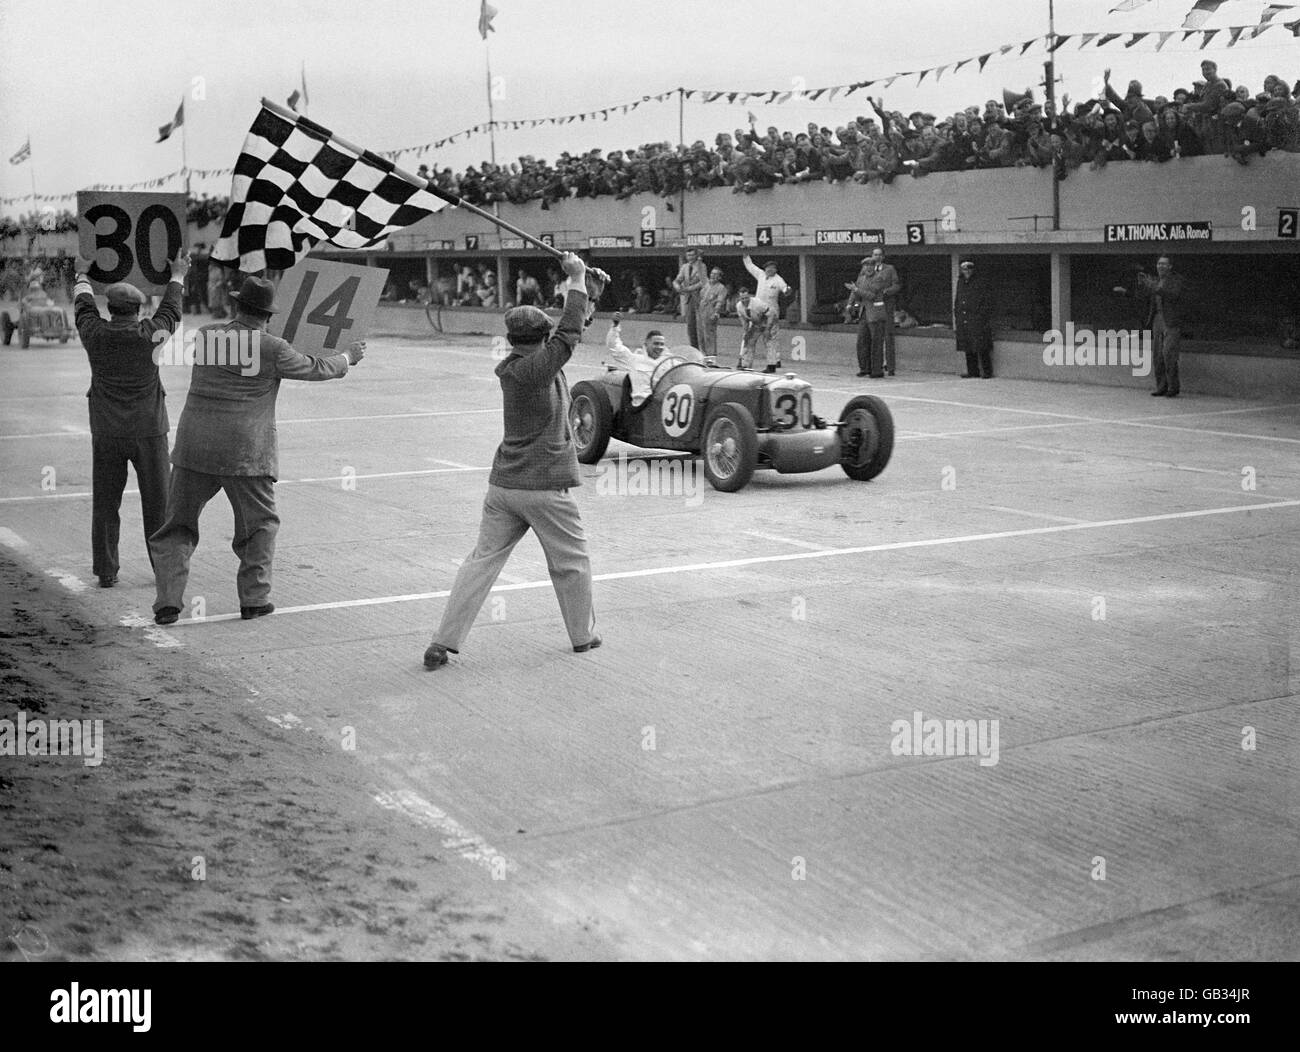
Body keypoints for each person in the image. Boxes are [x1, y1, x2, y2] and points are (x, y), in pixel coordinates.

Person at [148, 276, 366, 625]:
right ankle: (253, 599)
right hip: (245, 452)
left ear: (237, 305)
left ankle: (168, 602)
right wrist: (347, 357)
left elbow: (240, 343)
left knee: (178, 527)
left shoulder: (207, 336)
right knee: (259, 526)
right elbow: (315, 368)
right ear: (267, 314)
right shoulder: (273, 348)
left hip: (195, 448)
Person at [424, 251, 599, 670]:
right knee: (571, 563)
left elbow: (573, 328)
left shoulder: (520, 366)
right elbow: (569, 333)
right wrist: (575, 277)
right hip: (542, 487)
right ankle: (582, 635)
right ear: (543, 336)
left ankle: (444, 641)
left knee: (481, 562)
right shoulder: (537, 367)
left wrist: (588, 292)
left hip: (504, 486)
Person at [72, 254, 188, 588]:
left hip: (106, 430)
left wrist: (82, 273)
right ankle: (162, 567)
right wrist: (177, 274)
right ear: (138, 310)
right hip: (149, 430)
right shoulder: (150, 335)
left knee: (106, 502)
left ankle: (106, 570)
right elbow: (171, 310)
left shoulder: (94, 334)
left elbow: (83, 306)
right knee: (158, 503)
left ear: (110, 309)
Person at [1118, 255, 1187, 398]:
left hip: (1171, 321)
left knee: (1168, 354)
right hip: (1157, 319)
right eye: (1159, 264)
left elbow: (1172, 295)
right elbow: (1143, 297)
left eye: (1164, 264)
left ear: (1170, 266)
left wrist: (1153, 286)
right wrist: (1130, 290)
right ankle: (1161, 386)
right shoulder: (1154, 281)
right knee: (1157, 355)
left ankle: (1173, 387)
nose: (1160, 266)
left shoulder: (1176, 280)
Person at [846, 248, 902, 377]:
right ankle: (865, 368)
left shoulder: (880, 277)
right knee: (862, 341)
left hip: (877, 311)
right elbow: (855, 291)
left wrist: (857, 290)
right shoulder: (862, 278)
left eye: (870, 265)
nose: (868, 268)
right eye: (866, 266)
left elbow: (871, 294)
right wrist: (850, 304)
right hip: (864, 311)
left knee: (879, 341)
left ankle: (879, 369)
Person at [605, 317, 669, 407]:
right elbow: (614, 346)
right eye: (656, 344)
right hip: (642, 406)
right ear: (646, 344)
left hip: (663, 403)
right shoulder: (635, 359)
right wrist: (615, 327)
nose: (659, 347)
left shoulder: (668, 361)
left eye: (662, 344)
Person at [952, 258, 994, 379]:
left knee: (981, 345)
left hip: (977, 318)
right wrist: (958, 314)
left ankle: (987, 371)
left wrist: (981, 315)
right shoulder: (960, 282)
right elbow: (958, 300)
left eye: (969, 268)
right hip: (964, 317)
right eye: (964, 268)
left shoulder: (980, 282)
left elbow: (986, 300)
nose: (967, 271)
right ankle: (972, 371)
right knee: (967, 346)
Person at [672, 248, 707, 346]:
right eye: (688, 255)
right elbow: (677, 280)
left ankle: (705, 349)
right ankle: (694, 347)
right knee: (691, 326)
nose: (690, 257)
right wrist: (677, 287)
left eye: (692, 255)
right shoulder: (684, 267)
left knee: (701, 326)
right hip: (689, 299)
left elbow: (703, 282)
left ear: (696, 256)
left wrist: (689, 288)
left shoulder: (702, 266)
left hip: (700, 299)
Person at [735, 288, 775, 371]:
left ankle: (771, 366)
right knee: (748, 341)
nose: (745, 300)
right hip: (755, 323)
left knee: (768, 342)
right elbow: (743, 320)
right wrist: (746, 331)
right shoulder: (739, 306)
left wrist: (768, 328)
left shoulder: (758, 303)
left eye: (746, 298)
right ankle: (746, 365)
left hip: (767, 320)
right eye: (742, 298)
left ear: (749, 296)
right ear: (739, 298)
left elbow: (771, 313)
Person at [698, 267, 729, 358]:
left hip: (711, 311)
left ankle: (711, 356)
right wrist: (699, 260)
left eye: (716, 274)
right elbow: (701, 272)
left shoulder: (721, 288)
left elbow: (720, 301)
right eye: (712, 273)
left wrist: (716, 312)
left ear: (720, 277)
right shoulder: (706, 284)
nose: (713, 276)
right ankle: (703, 355)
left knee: (709, 335)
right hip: (702, 311)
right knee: (701, 335)